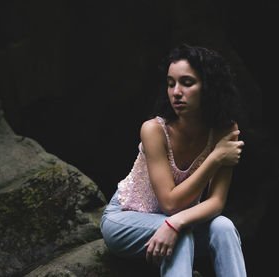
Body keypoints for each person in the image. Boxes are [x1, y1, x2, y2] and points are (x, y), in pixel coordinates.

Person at [100, 44, 247, 276]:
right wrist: (216, 157)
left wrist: (175, 223)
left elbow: (217, 203)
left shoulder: (223, 130)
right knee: (181, 234)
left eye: (187, 83)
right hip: (126, 220)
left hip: (176, 223)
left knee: (224, 227)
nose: (176, 92)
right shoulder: (154, 130)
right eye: (171, 84)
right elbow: (169, 203)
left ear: (209, 87)